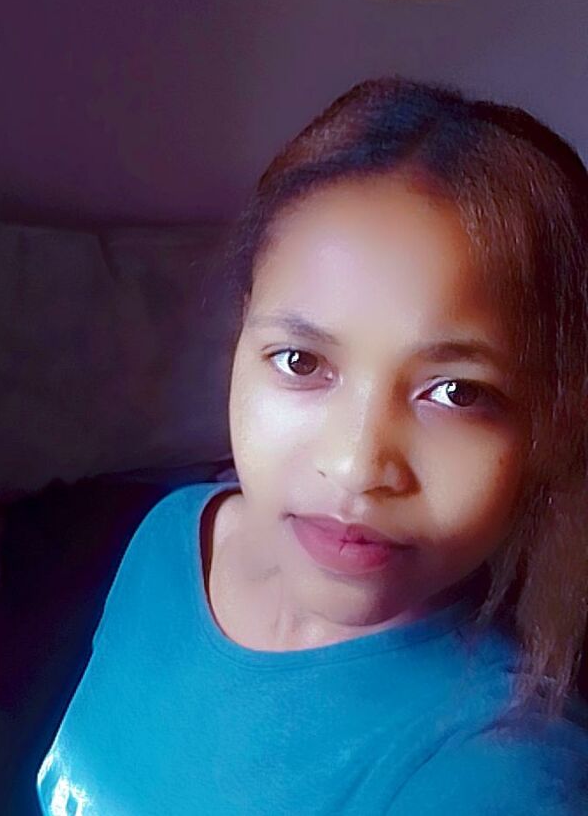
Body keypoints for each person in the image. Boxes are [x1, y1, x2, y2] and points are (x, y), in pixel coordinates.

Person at [36, 78, 588, 814]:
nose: (357, 466)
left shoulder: (501, 771)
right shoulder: (174, 534)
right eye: (302, 362)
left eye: (456, 392)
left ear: (550, 424)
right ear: (241, 335)